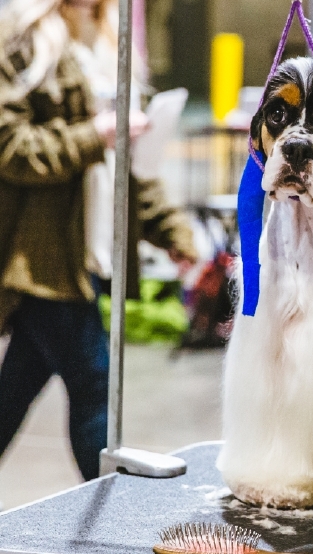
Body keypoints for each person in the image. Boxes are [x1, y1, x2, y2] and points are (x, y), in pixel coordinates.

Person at [0, 0, 197, 482]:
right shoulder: (21, 37)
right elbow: (11, 148)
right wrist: (94, 134)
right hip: (43, 260)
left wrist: (172, 231)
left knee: (15, 391)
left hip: (94, 253)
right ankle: (111, 512)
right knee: (94, 384)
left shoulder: (114, 40)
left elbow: (133, 167)